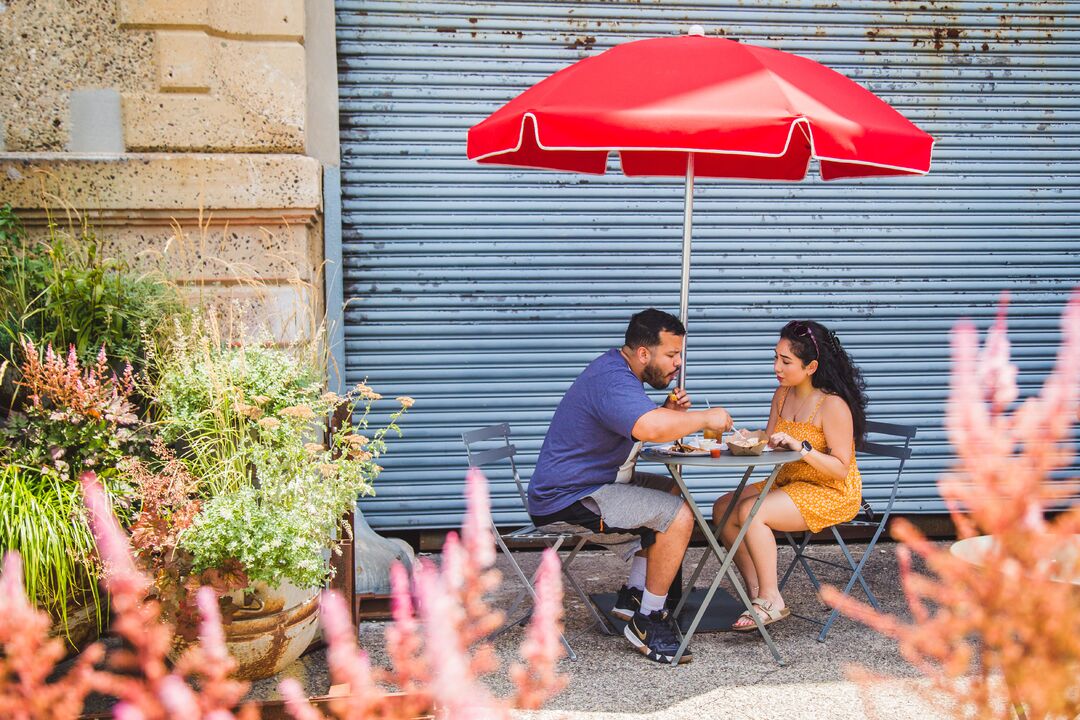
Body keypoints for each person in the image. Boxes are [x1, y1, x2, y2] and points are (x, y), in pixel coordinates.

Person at [528, 308, 734, 664]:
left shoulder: (618, 371)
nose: (678, 364)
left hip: (592, 482)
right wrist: (703, 417)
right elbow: (647, 429)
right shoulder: (612, 379)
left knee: (672, 492)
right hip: (571, 497)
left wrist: (667, 410)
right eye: (671, 354)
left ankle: (635, 595)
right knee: (678, 515)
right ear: (643, 353)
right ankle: (648, 621)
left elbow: (636, 421)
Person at [711, 320, 867, 630]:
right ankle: (758, 594)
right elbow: (770, 440)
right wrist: (746, 436)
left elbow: (840, 466)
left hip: (829, 490)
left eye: (785, 361)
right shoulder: (782, 395)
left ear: (811, 367)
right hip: (789, 482)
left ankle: (773, 599)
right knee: (723, 507)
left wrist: (803, 448)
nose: (776, 367)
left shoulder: (832, 405)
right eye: (775, 357)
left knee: (751, 511)